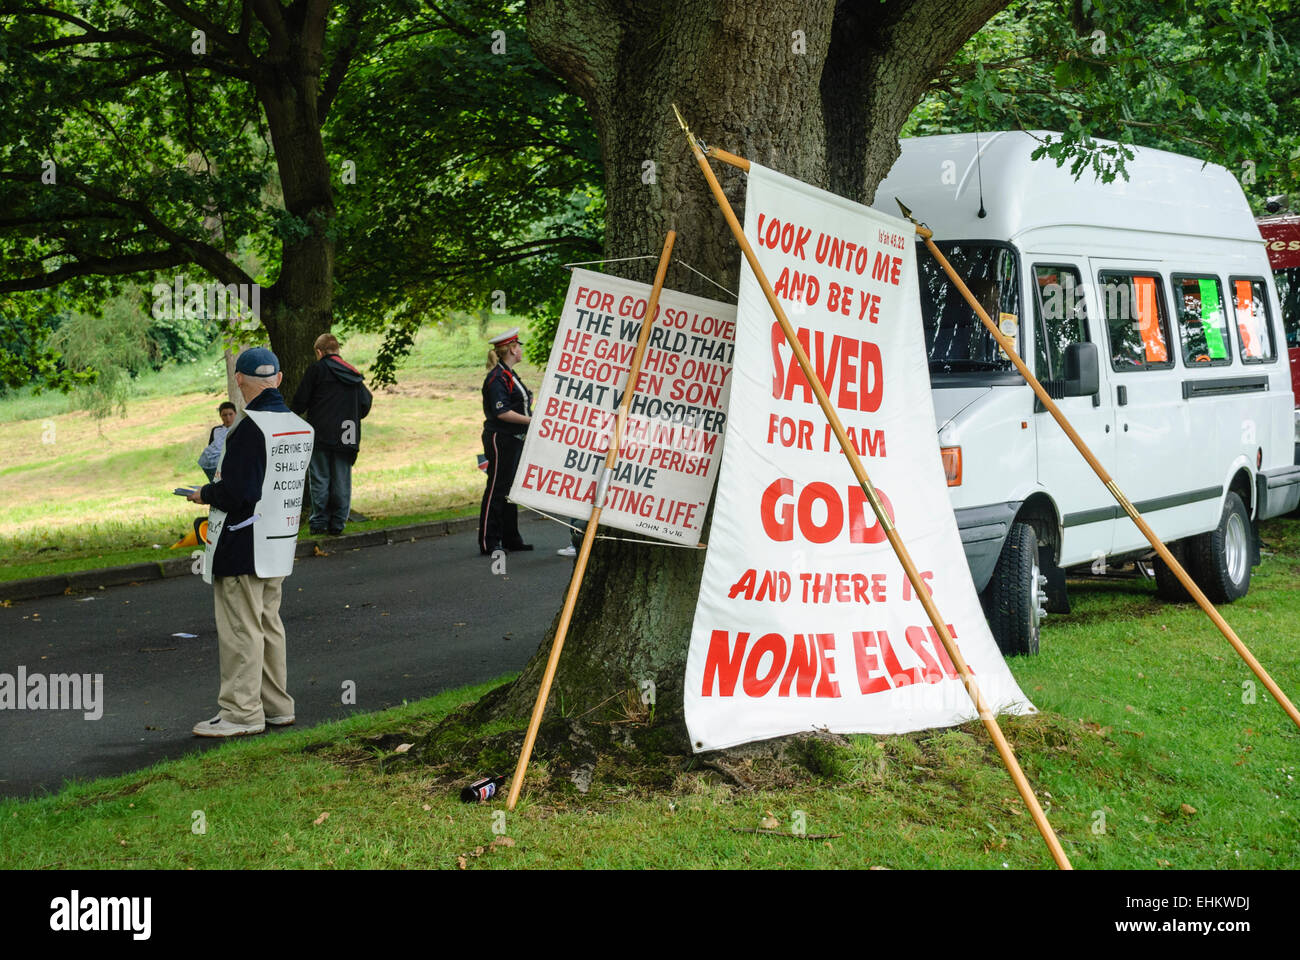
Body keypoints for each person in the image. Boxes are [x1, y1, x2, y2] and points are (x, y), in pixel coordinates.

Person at [186, 347, 314, 737]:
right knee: (268, 624)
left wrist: (205, 494)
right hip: (279, 540)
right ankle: (277, 706)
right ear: (277, 378)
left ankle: (241, 714)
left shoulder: (249, 427)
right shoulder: (298, 425)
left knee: (241, 629)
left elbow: (240, 492)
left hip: (243, 544)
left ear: (240, 381)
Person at [291, 333, 373, 536]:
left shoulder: (317, 370)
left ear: (319, 352)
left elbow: (300, 402)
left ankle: (319, 523)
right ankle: (338, 523)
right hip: (348, 432)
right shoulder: (353, 373)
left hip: (321, 432)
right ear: (337, 350)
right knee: (342, 479)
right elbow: (366, 402)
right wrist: (350, 416)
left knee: (320, 478)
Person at [479, 327, 533, 555]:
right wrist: (532, 421)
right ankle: (489, 541)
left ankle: (511, 538)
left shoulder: (509, 375)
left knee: (511, 489)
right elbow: (502, 412)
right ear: (511, 349)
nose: (520, 350)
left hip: (514, 437)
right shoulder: (497, 378)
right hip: (500, 438)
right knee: (497, 488)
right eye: (518, 346)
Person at [198, 401, 237, 482]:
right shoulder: (216, 430)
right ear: (220, 416)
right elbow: (211, 445)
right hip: (211, 464)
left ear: (235, 414)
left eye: (230, 414)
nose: (228, 418)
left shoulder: (239, 429)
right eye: (224, 415)